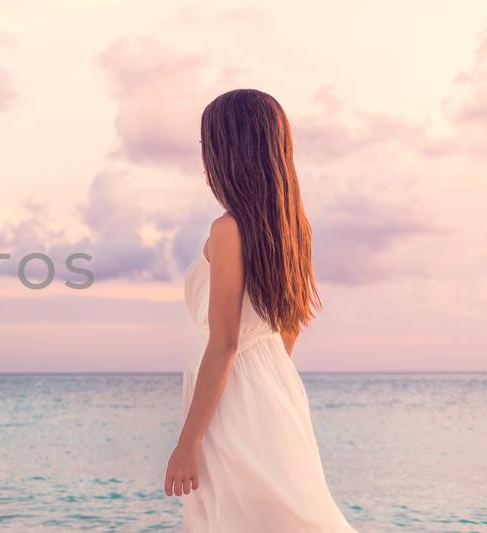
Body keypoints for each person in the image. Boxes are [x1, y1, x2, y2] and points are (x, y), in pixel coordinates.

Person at [163, 89, 356, 532]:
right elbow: (290, 324)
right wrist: (264, 386)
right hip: (272, 387)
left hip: (230, 398)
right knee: (284, 512)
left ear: (230, 152)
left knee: (239, 517)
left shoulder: (228, 230)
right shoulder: (292, 228)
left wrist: (188, 441)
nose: (204, 161)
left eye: (206, 147)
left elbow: (225, 341)